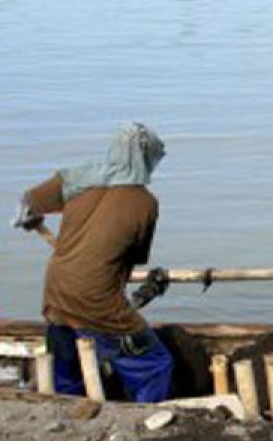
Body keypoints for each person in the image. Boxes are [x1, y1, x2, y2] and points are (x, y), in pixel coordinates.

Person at [13, 122, 173, 402]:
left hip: (56, 291)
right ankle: (145, 417)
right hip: (95, 299)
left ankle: (68, 408)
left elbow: (29, 201)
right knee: (155, 364)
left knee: (67, 367)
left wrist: (31, 220)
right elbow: (132, 258)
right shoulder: (145, 203)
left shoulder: (80, 181)